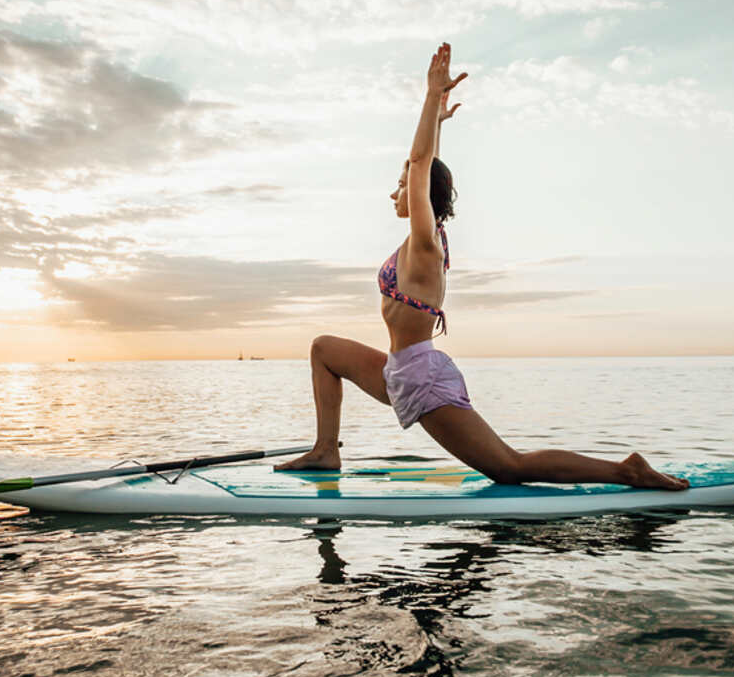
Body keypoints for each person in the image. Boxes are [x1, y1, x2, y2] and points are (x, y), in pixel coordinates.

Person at [278, 43, 688, 491]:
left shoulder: (425, 243)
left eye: (400, 186)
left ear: (420, 198)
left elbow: (420, 164)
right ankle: (325, 451)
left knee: (509, 467)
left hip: (421, 378)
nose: (394, 192)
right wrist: (436, 122)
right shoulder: (416, 241)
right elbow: (423, 165)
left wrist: (431, 99)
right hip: (396, 369)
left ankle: (626, 470)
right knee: (323, 349)